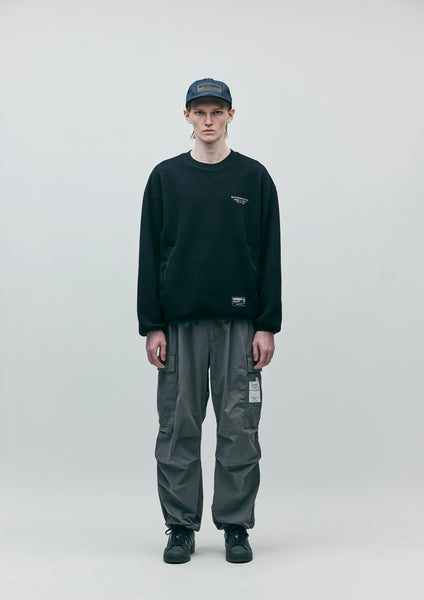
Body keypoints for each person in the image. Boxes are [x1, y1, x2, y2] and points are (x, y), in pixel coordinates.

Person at [137, 78, 282, 564]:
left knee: (239, 426)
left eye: (216, 112)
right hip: (179, 324)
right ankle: (180, 527)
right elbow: (149, 253)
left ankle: (235, 526)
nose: (208, 120)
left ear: (231, 116)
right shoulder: (165, 178)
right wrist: (152, 324)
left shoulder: (254, 178)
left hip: (239, 324)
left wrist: (267, 323)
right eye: (199, 112)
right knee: (178, 426)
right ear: (187, 116)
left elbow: (270, 253)